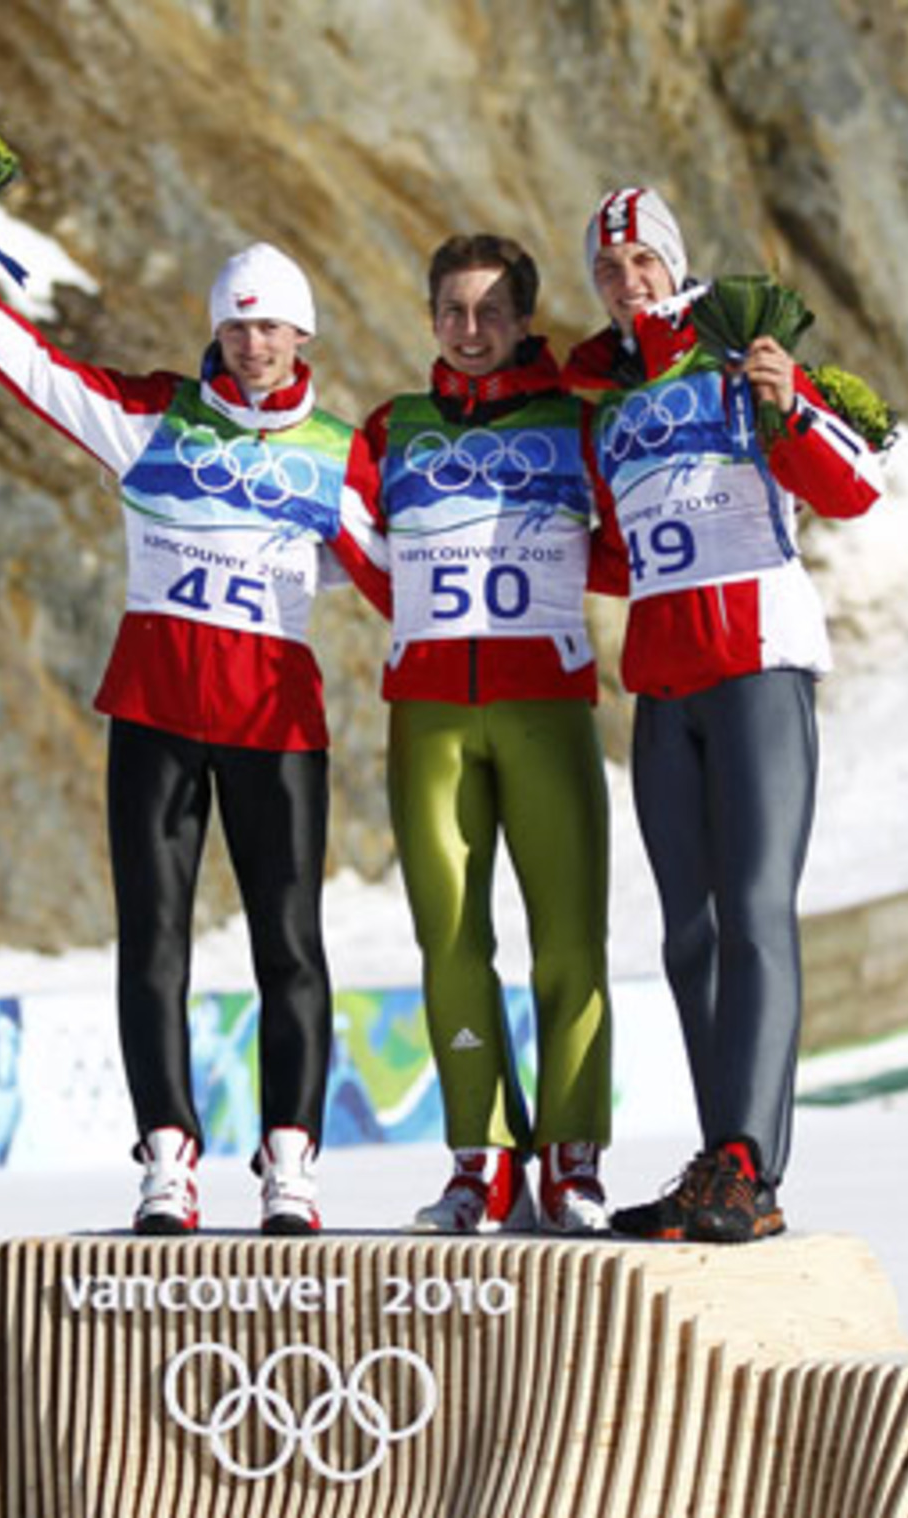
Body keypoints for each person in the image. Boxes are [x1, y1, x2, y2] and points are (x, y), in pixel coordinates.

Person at [0, 201, 390, 1235]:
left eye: (271, 326)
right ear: (216, 329)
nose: (253, 344)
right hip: (155, 713)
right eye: (236, 325)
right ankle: (167, 1161)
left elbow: (406, 568)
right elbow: (31, 366)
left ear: (303, 334)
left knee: (290, 948)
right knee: (154, 943)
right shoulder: (150, 417)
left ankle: (291, 1166)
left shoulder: (336, 453)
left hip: (276, 725)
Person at [566, 187, 884, 1243]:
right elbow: (619, 551)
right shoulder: (607, 403)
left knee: (753, 912)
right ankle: (720, 1167)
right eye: (607, 269)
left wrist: (790, 405)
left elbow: (853, 488)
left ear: (674, 260)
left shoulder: (740, 351)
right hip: (665, 680)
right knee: (690, 937)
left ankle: (752, 1163)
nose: (626, 283)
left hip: (758, 659)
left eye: (641, 262)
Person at [361, 234, 612, 1234]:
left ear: (524, 320)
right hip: (429, 713)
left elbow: (626, 548)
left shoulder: (577, 424)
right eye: (454, 312)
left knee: (570, 942)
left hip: (546, 704)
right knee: (451, 943)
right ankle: (482, 1162)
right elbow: (352, 542)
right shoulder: (392, 428)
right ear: (431, 317)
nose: (471, 330)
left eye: (491, 312)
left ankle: (571, 1159)